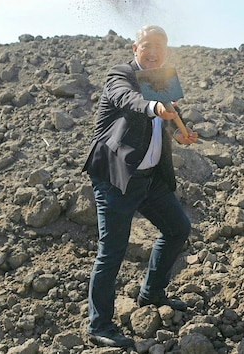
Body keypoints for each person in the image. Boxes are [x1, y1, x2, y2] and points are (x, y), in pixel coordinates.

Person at [81, 25, 198, 347]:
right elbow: (128, 99)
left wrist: (179, 134)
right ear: (135, 48)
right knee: (112, 251)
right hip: (117, 178)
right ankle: (99, 325)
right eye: (147, 45)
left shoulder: (161, 78)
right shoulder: (120, 75)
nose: (153, 51)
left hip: (149, 179)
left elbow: (170, 119)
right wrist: (153, 107)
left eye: (159, 46)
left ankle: (152, 293)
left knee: (177, 228)